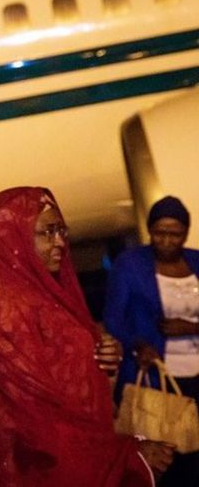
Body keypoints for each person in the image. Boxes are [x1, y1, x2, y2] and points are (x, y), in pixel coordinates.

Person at [0, 187, 173, 486]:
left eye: (61, 231)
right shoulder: (5, 308)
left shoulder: (39, 293)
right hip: (38, 463)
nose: (60, 243)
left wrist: (100, 354)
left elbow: (60, 361)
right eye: (47, 232)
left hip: (68, 447)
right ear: (12, 238)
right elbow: (34, 407)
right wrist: (124, 454)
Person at [105, 195, 199, 486]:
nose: (167, 241)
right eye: (159, 233)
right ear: (149, 230)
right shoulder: (130, 264)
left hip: (197, 372)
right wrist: (138, 344)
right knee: (168, 451)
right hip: (157, 375)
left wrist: (190, 326)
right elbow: (113, 318)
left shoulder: (197, 261)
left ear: (186, 232)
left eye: (175, 233)